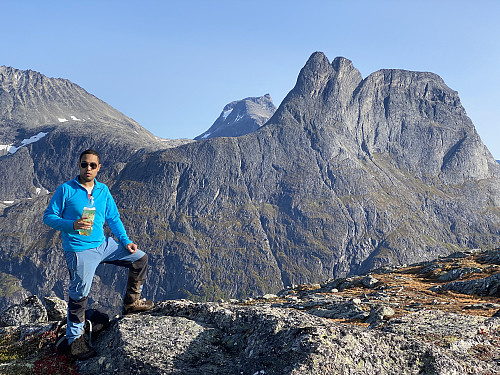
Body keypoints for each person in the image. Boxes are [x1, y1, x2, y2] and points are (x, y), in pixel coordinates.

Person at [43, 149, 154, 360]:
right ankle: (75, 340)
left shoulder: (103, 190)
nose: (88, 168)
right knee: (79, 292)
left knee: (140, 258)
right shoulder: (66, 189)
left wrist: (126, 241)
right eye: (84, 164)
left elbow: (113, 218)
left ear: (99, 167)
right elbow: (48, 217)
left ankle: (131, 303)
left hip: (104, 245)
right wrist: (71, 224)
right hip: (79, 250)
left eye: (93, 165)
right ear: (79, 165)